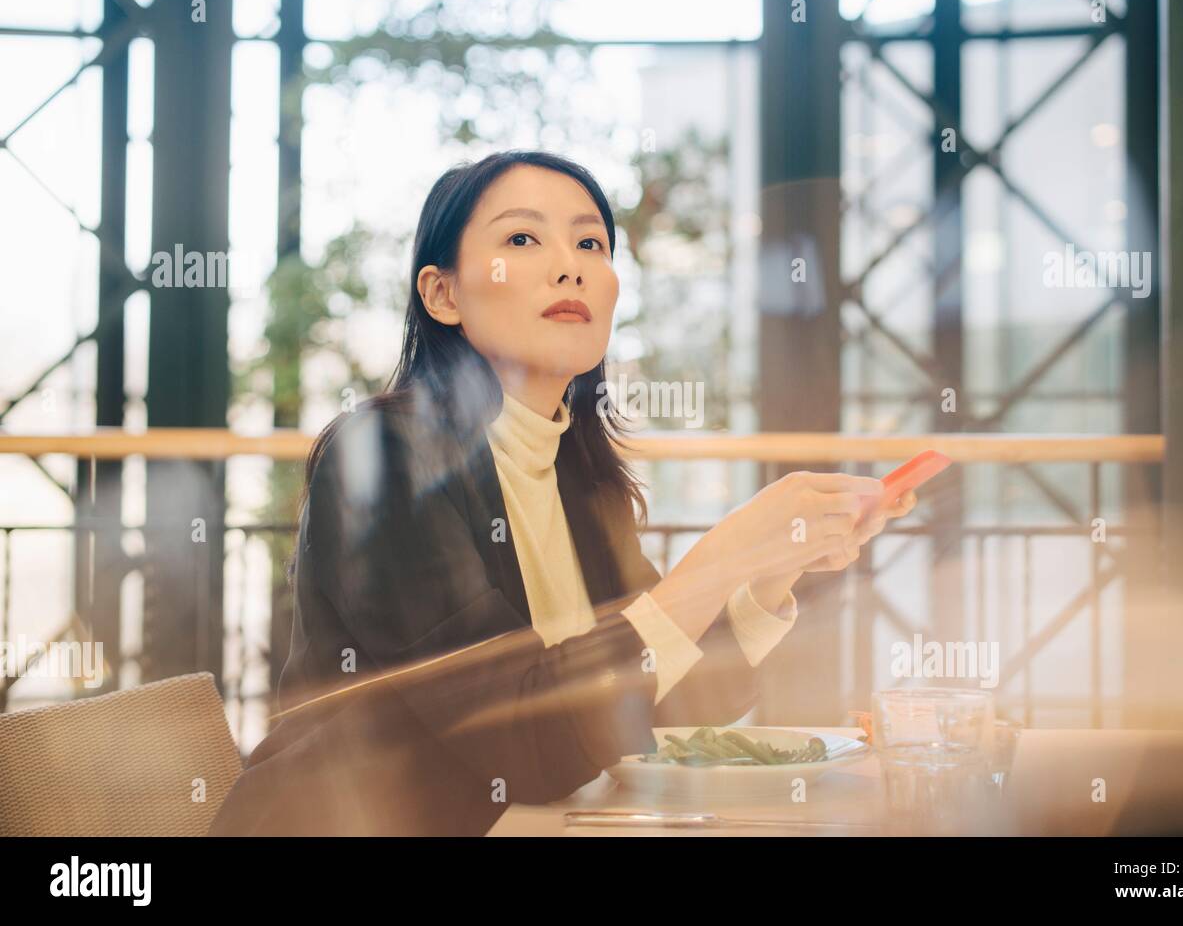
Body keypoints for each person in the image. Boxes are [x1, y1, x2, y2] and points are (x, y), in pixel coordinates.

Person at [208, 150, 914, 836]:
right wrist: (719, 561)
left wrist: (770, 571)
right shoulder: (385, 460)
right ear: (443, 294)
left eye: (590, 242)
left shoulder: (580, 475)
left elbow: (659, 706)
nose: (570, 264)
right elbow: (527, 747)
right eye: (522, 238)